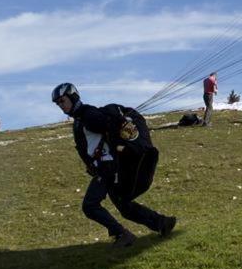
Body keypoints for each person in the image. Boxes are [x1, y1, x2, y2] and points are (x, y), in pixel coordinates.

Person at [52, 82, 176, 247]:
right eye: (58, 103)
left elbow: (112, 129)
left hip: (107, 169)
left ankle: (122, 234)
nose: (61, 105)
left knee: (90, 205)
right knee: (125, 207)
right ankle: (162, 223)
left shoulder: (88, 114)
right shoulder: (80, 119)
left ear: (73, 97)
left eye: (62, 100)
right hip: (105, 168)